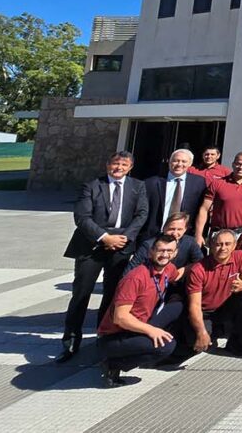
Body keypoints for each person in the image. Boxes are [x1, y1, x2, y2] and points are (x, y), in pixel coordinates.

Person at [58, 151, 149, 364]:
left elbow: (141, 214)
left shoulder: (138, 186)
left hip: (121, 247)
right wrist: (104, 237)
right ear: (108, 164)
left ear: (130, 167)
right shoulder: (91, 186)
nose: (119, 167)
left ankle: (104, 336)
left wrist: (124, 238)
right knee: (81, 294)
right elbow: (82, 217)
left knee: (113, 295)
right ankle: (71, 340)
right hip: (92, 246)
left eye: (124, 164)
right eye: (115, 163)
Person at [94, 234, 182, 386]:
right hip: (115, 334)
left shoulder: (168, 269)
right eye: (160, 250)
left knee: (179, 305)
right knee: (166, 346)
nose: (165, 255)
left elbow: (179, 275)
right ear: (151, 252)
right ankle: (113, 363)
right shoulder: (135, 278)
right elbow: (120, 318)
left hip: (139, 324)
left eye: (169, 251)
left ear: (175, 253)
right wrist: (151, 330)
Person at [185, 229, 242, 356]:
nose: (223, 248)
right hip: (205, 311)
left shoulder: (240, 256)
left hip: (227, 306)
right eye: (218, 244)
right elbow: (194, 306)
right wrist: (201, 332)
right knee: (195, 344)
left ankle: (235, 338)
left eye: (227, 244)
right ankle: (214, 329)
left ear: (234, 245)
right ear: (211, 246)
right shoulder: (198, 269)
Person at [196, 152, 242, 246]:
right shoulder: (217, 183)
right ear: (233, 164)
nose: (241, 167)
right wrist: (198, 234)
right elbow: (204, 209)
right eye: (238, 164)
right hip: (220, 233)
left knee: (241, 260)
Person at [142, 149, 207, 240]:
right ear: (169, 162)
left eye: (184, 161)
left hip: (184, 236)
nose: (179, 164)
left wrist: (199, 234)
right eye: (176, 160)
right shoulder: (151, 183)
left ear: (190, 164)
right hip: (154, 235)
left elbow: (201, 209)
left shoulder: (199, 183)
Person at [127, 211, 203, 281]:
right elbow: (129, 271)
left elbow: (201, 263)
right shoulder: (148, 245)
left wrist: (185, 269)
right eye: (171, 229)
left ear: (185, 229)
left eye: (179, 229)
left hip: (178, 286)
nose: (175, 233)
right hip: (152, 283)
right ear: (164, 228)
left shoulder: (190, 242)